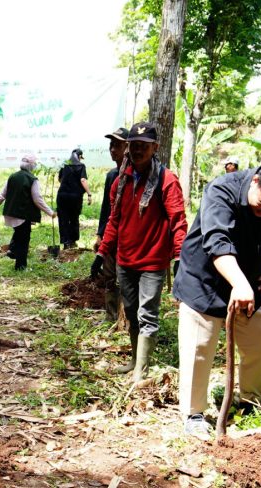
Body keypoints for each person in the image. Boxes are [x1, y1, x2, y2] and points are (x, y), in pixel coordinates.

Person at [174, 157, 261, 440]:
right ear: (256, 181)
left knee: (260, 341)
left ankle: (249, 401)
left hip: (251, 280)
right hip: (205, 279)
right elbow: (217, 240)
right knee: (198, 347)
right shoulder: (221, 191)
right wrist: (238, 283)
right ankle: (194, 413)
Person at [92, 122, 187, 386]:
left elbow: (178, 220)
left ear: (155, 148)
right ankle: (135, 359)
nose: (138, 151)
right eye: (134, 145)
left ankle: (141, 371)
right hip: (126, 259)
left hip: (153, 262)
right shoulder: (121, 180)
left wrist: (179, 256)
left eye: (143, 146)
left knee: (148, 314)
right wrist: (102, 253)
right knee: (132, 312)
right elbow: (115, 220)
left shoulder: (167, 180)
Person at [0, 154, 56, 270]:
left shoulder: (12, 176)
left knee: (19, 233)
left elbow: (2, 194)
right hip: (23, 215)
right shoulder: (33, 179)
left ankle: (13, 250)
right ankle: (20, 266)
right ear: (31, 166)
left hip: (11, 213)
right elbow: (37, 199)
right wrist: (50, 212)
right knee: (24, 240)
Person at [95, 127, 128, 322]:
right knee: (108, 275)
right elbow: (106, 210)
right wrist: (100, 234)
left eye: (117, 145)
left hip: (129, 237)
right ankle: (110, 315)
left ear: (127, 147)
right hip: (111, 235)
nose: (113, 150)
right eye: (111, 145)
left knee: (126, 278)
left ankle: (126, 317)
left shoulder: (137, 174)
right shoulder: (111, 176)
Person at [56, 148, 91, 249]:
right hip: (75, 197)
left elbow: (60, 179)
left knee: (63, 218)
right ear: (79, 156)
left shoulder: (64, 164)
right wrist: (89, 194)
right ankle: (73, 241)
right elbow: (83, 180)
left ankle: (65, 242)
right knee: (74, 218)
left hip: (62, 195)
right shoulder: (81, 166)